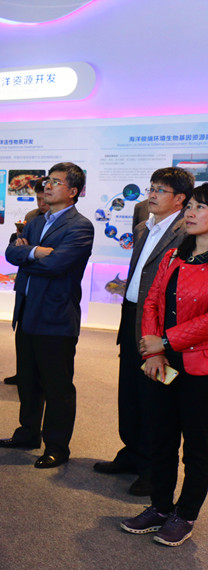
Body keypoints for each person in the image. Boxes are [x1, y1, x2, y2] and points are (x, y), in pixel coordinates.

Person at [94, 167, 192, 496]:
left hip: (159, 325)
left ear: (179, 199)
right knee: (130, 392)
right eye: (151, 188)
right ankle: (132, 452)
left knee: (155, 399)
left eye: (160, 190)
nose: (151, 194)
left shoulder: (185, 231)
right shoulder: (142, 225)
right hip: (131, 315)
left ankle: (152, 468)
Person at [120, 183, 208, 547]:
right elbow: (152, 302)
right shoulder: (174, 255)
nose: (191, 213)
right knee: (161, 437)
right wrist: (153, 351)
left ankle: (184, 515)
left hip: (200, 367)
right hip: (163, 363)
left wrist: (167, 341)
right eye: (191, 206)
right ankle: (159, 506)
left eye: (201, 208)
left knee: (198, 447)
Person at [0, 162, 94, 469]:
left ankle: (57, 446)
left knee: (57, 386)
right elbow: (10, 253)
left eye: (56, 182)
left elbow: (57, 265)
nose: (47, 186)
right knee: (27, 381)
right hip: (27, 311)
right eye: (48, 180)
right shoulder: (35, 220)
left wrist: (26, 254)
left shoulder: (80, 226)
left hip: (55, 316)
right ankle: (27, 433)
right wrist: (36, 252)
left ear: (73, 191)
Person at [4, 178, 48, 385]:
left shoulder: (67, 223)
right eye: (38, 199)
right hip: (25, 283)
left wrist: (28, 251)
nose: (42, 203)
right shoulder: (32, 217)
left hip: (45, 287)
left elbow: (53, 259)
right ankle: (22, 373)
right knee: (22, 332)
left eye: (44, 198)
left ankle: (38, 376)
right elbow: (14, 250)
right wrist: (22, 245)